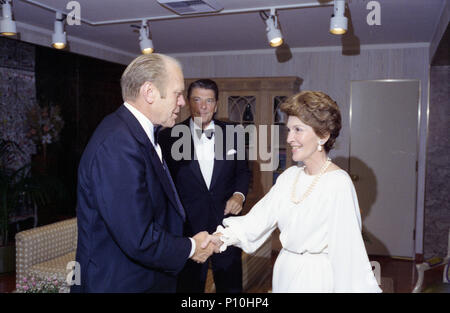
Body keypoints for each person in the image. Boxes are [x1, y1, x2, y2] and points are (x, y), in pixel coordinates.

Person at [207, 91, 382, 293]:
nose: (289, 138)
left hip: (316, 279)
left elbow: (348, 253)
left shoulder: (338, 183)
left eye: (298, 129)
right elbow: (257, 220)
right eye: (289, 129)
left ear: (323, 135)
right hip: (284, 272)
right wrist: (221, 237)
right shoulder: (289, 176)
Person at [72, 54, 218, 293]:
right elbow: (138, 238)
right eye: (177, 93)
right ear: (149, 92)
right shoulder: (118, 144)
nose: (182, 102)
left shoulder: (138, 134)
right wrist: (191, 247)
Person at [159, 79, 251, 293]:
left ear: (216, 105)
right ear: (188, 103)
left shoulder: (233, 133)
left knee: (230, 287)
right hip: (188, 228)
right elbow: (165, 184)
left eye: (209, 101)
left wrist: (239, 195)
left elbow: (243, 172)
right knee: (189, 288)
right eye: (197, 100)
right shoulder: (168, 137)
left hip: (226, 225)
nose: (203, 106)